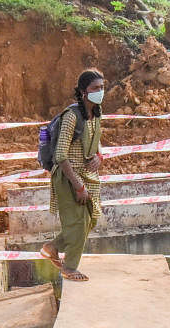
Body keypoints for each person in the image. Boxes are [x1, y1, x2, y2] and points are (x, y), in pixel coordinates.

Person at [40, 69, 105, 283]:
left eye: (102, 88)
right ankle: (69, 267)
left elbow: (96, 140)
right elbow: (60, 155)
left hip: (86, 175)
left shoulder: (95, 113)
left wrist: (99, 156)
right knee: (78, 224)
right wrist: (78, 186)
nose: (100, 92)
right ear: (83, 92)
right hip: (68, 177)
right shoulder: (71, 117)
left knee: (90, 219)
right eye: (95, 88)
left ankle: (53, 247)